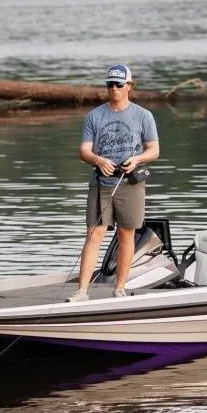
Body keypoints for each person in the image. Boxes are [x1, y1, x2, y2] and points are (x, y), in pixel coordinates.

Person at [67, 64, 159, 302]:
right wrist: (98, 160)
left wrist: (137, 159)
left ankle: (119, 288)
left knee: (126, 235)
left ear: (129, 86)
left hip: (131, 183)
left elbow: (154, 150)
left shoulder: (143, 116)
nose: (114, 89)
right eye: (110, 84)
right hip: (101, 182)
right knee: (94, 234)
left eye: (119, 84)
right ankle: (82, 291)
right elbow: (84, 151)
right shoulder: (94, 116)